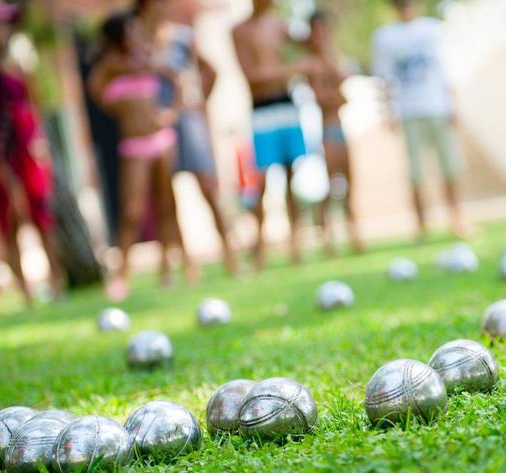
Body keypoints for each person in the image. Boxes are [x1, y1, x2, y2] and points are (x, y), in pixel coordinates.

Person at [88, 11, 196, 301]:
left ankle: (171, 268)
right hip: (134, 145)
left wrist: (171, 113)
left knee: (167, 205)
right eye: (131, 31)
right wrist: (117, 105)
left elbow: (176, 79)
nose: (137, 35)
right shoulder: (110, 66)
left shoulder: (148, 59)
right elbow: (96, 89)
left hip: (161, 139)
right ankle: (120, 276)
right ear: (118, 36)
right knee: (132, 211)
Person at [134, 0, 238, 276]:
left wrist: (200, 102)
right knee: (165, 196)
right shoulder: (137, 41)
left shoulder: (181, 36)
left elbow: (210, 69)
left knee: (207, 186)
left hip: (187, 119)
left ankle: (230, 253)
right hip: (156, 124)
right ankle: (182, 263)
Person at [0, 0, 65, 307]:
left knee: (41, 214)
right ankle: (26, 292)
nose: (3, 32)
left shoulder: (14, 69)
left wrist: (38, 144)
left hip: (25, 155)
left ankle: (57, 281)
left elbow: (34, 107)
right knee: (9, 220)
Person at [372, 0, 471, 241]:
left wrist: (453, 104)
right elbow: (384, 78)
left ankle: (457, 219)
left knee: (450, 167)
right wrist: (387, 112)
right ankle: (421, 226)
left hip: (437, 107)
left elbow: (447, 68)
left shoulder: (433, 29)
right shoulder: (385, 37)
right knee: (415, 173)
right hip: (409, 111)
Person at [232, 0, 314, 270]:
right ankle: (259, 247)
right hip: (262, 109)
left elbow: (310, 43)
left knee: (292, 176)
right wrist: (292, 69)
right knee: (262, 180)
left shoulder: (278, 24)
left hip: (286, 104)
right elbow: (252, 76)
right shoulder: (239, 30)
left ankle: (297, 245)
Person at [305, 10, 363, 255]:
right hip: (326, 130)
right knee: (331, 185)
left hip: (341, 126)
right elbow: (322, 98)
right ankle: (326, 237)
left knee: (349, 183)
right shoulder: (312, 63)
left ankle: (354, 233)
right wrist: (337, 86)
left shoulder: (335, 57)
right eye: (317, 30)